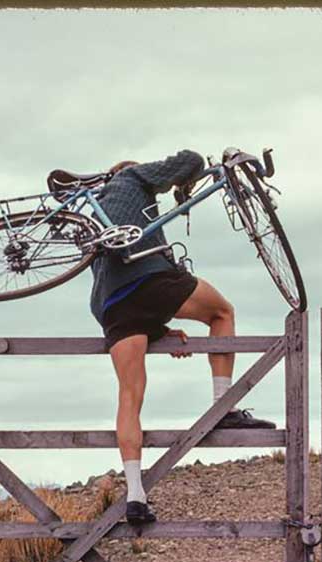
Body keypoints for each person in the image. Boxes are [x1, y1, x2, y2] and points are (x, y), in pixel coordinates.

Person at [89, 148, 275, 526]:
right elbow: (190, 159)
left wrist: (158, 329)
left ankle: (136, 495)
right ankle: (223, 408)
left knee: (129, 396)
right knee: (222, 312)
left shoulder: (97, 218)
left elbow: (120, 286)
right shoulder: (134, 177)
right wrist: (184, 182)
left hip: (112, 305)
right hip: (149, 277)